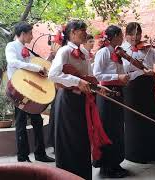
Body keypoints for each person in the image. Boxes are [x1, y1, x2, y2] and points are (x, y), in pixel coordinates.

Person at [48, 20, 111, 180]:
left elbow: (88, 79)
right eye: (82, 30)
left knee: (82, 139)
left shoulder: (84, 52)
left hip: (83, 101)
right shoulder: (64, 51)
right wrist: (77, 81)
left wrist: (99, 88)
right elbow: (53, 75)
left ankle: (83, 176)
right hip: (68, 101)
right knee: (69, 140)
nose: (85, 32)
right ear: (73, 32)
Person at [121, 22, 155, 163]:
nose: (135, 37)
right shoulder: (122, 50)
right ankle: (137, 153)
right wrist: (137, 66)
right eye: (131, 34)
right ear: (126, 35)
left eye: (137, 34)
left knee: (154, 116)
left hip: (148, 86)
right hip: (132, 87)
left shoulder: (146, 48)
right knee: (136, 120)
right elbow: (123, 68)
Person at [5, 21, 55, 163]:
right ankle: (22, 157)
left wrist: (48, 60)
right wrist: (35, 68)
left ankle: (40, 154)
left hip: (31, 91)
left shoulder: (28, 50)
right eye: (30, 33)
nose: (32, 36)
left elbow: (37, 67)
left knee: (37, 121)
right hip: (19, 90)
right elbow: (12, 62)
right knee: (20, 122)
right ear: (22, 34)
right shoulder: (11, 46)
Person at [92, 25, 130, 178]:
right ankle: (106, 166)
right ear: (114, 36)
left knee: (117, 129)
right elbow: (97, 75)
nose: (122, 38)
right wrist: (117, 77)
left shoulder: (117, 53)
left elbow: (118, 73)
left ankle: (115, 163)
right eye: (121, 35)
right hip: (106, 94)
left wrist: (124, 77)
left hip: (118, 92)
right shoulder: (103, 52)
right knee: (107, 129)